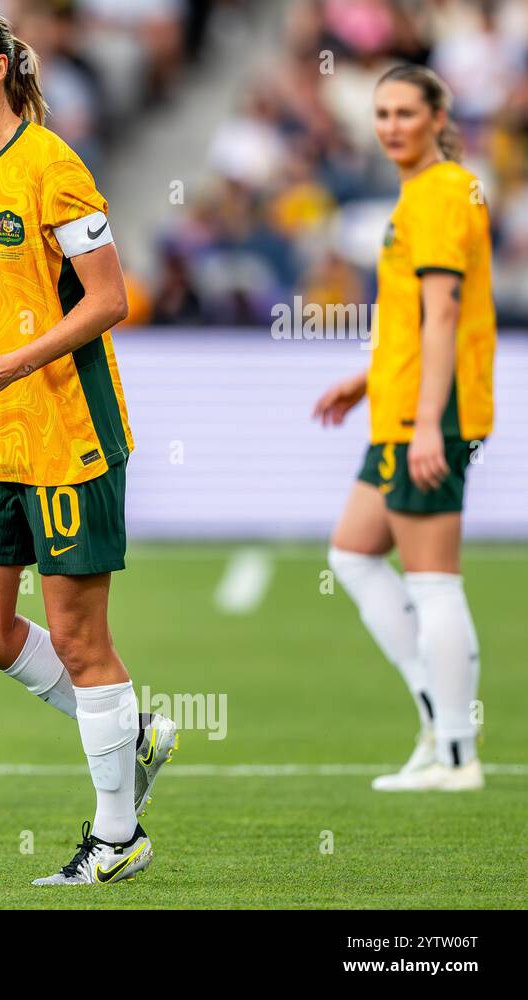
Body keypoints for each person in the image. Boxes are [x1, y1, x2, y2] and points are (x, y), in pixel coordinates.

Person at [0, 7, 177, 885]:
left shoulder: (54, 166)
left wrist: (14, 365)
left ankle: (118, 837)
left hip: (69, 432)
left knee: (80, 640)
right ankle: (131, 731)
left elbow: (110, 301)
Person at [314, 64, 495, 792]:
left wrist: (427, 424)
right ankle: (439, 715)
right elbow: (416, 317)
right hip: (402, 406)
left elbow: (445, 312)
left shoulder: (445, 193)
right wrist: (368, 380)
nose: (391, 126)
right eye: (381, 113)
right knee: (354, 554)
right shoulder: (419, 194)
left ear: (437, 115)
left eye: (405, 113)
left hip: (431, 414)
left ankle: (456, 752)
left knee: (434, 580)